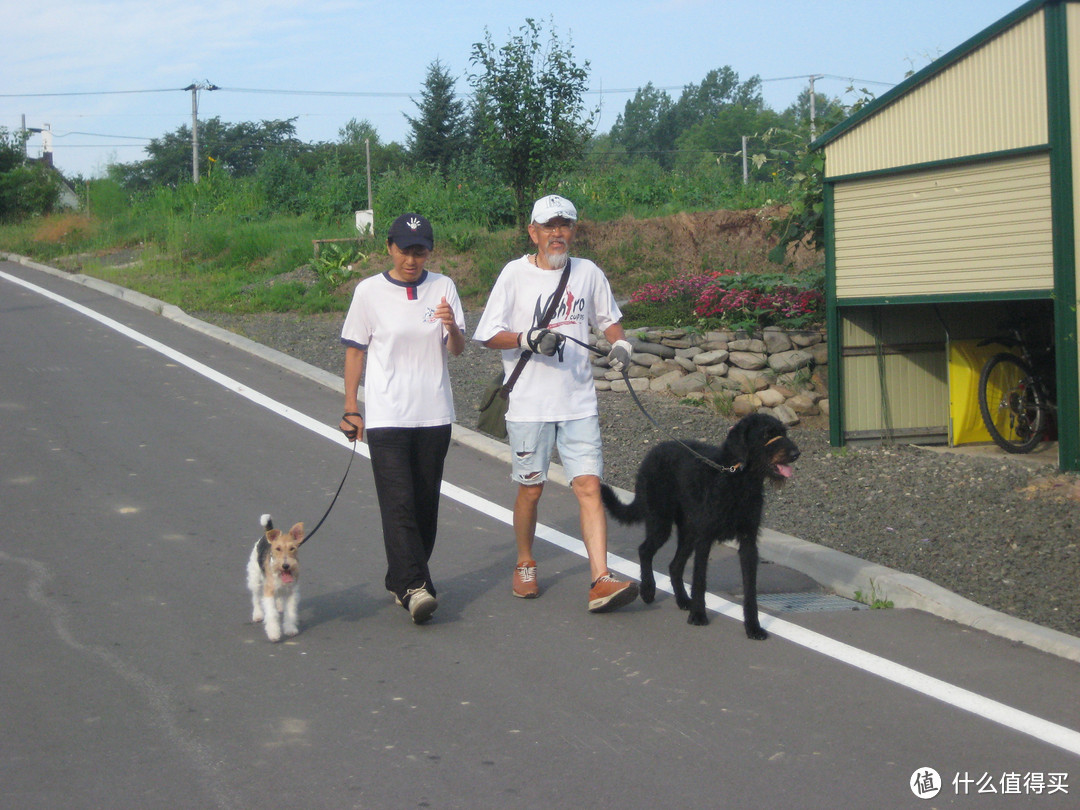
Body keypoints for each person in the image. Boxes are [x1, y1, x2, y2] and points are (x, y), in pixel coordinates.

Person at [473, 194, 639, 613]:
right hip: (529, 405)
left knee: (588, 486)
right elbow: (487, 333)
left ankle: (600, 578)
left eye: (565, 225)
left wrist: (620, 344)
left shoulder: (588, 273)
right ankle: (525, 562)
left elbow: (608, 318)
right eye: (549, 226)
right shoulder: (513, 275)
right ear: (533, 232)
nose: (557, 233)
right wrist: (526, 338)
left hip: (578, 401)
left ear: (574, 231)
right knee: (532, 488)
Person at [339, 213, 465, 624]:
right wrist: (351, 407)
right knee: (399, 505)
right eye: (405, 250)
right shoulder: (368, 292)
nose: (412, 259)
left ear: (429, 251)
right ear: (390, 248)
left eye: (420, 251)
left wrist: (453, 328)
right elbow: (355, 351)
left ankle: (401, 578)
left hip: (433, 414)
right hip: (387, 417)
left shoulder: (443, 287)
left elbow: (457, 349)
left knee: (426, 506)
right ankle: (415, 587)